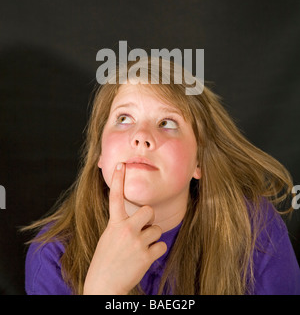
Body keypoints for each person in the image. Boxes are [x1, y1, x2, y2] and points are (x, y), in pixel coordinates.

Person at [23, 57, 300, 295]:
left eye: (167, 123)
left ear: (198, 162)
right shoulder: (53, 256)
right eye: (124, 118)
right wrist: (103, 290)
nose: (141, 137)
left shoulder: (255, 231)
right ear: (99, 153)